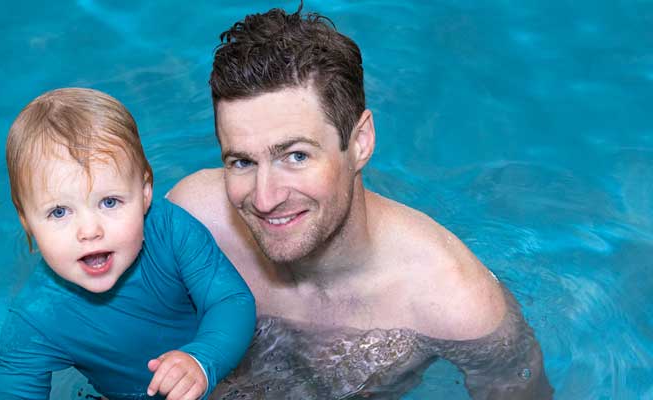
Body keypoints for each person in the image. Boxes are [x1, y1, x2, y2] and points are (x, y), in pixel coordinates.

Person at [167, 4, 554, 399]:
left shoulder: (453, 302)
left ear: (360, 143)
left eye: (296, 156)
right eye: (242, 161)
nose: (265, 199)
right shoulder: (195, 223)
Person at [0, 88, 256, 400]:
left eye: (110, 202)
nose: (89, 230)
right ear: (26, 221)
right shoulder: (36, 317)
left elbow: (231, 300)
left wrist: (202, 359)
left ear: (144, 194)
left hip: (229, 372)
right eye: (59, 212)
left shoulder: (169, 230)